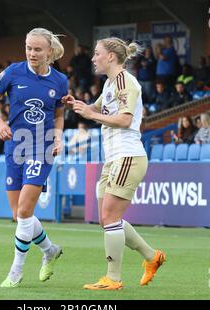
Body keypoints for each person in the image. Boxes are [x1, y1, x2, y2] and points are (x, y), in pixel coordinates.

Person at [68, 37, 166, 290]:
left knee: (110, 216)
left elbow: (124, 120)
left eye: (96, 53)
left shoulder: (126, 82)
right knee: (106, 219)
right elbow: (94, 109)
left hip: (128, 156)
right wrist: (77, 105)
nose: (93, 58)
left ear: (111, 56)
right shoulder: (111, 83)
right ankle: (152, 257)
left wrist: (91, 114)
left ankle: (113, 279)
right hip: (113, 159)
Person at [0, 28, 68, 288]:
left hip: (41, 147)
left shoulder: (60, 80)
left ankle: (16, 271)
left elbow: (60, 113)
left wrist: (59, 136)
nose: (32, 53)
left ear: (49, 52)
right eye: (29, 48)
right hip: (14, 146)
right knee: (19, 216)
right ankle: (50, 250)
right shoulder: (12, 72)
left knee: (24, 211)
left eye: (37, 49)